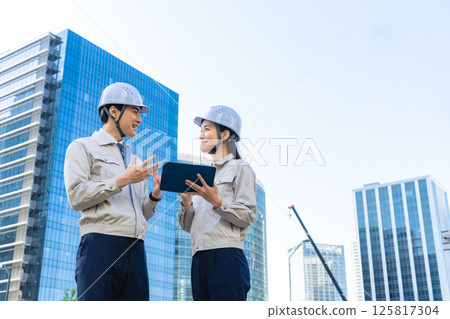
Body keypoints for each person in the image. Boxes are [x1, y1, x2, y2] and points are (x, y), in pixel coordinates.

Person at [64, 82, 162, 301]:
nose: (140, 119)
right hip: (101, 244)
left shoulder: (133, 161)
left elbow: (141, 213)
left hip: (136, 248)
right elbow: (77, 196)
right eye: (135, 111)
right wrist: (123, 180)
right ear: (114, 111)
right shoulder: (82, 147)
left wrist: (154, 196)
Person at [178, 105, 257, 301]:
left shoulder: (241, 168)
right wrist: (187, 203)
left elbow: (247, 216)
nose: (201, 135)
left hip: (226, 256)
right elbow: (188, 227)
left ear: (224, 135)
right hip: (198, 257)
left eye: (206, 129)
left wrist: (217, 202)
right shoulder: (202, 176)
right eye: (201, 130)